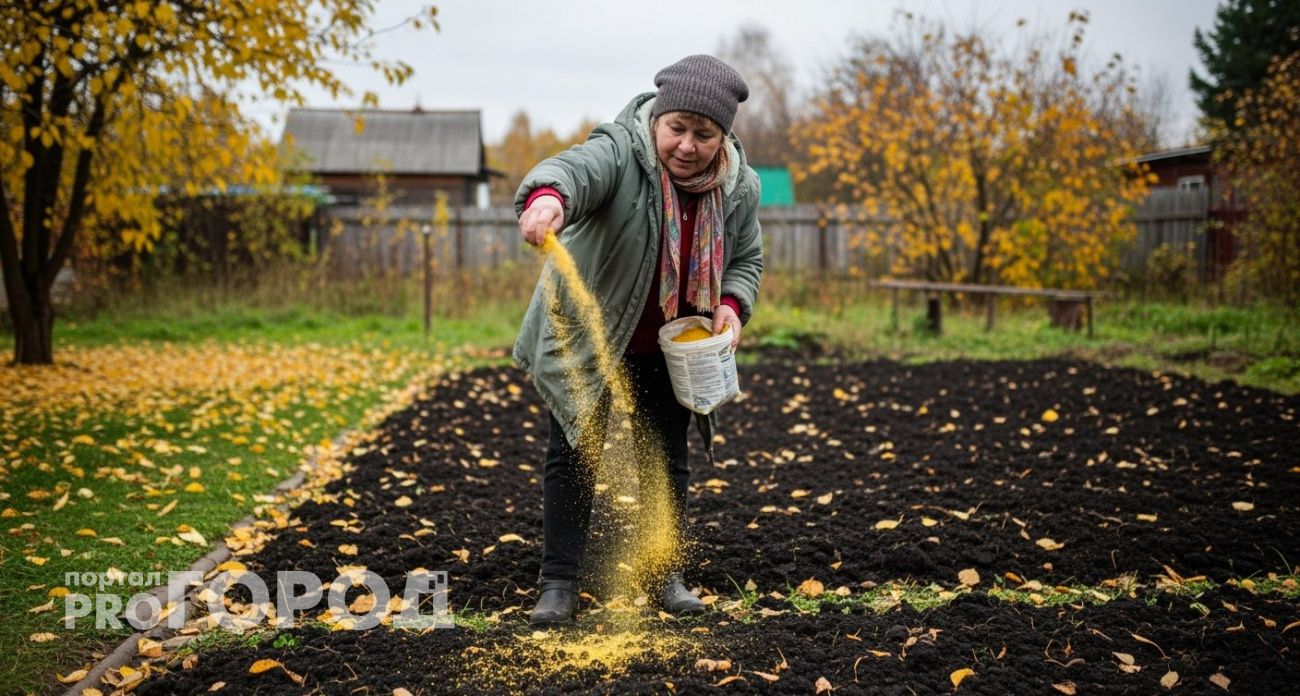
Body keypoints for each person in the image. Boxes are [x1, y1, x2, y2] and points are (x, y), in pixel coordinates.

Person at [513, 54, 763, 625]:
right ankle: (559, 584)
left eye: (704, 134)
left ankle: (664, 575)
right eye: (678, 128)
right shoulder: (622, 151)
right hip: (594, 335)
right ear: (658, 119)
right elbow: (577, 169)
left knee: (666, 460)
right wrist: (548, 197)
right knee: (574, 454)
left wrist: (730, 306)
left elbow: (746, 259)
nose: (687, 145)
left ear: (723, 136)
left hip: (676, 345)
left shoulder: (738, 186)